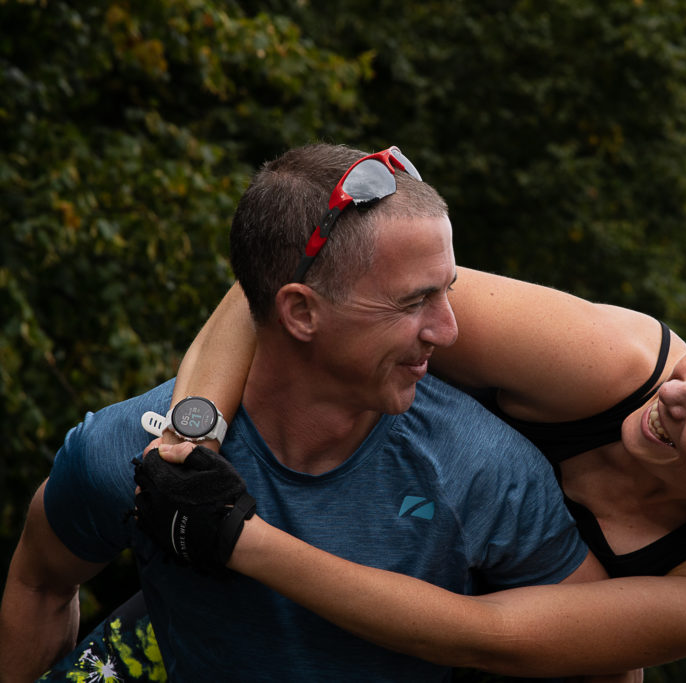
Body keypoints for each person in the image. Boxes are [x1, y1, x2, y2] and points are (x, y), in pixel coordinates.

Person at [129, 263, 686, 676]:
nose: (677, 391)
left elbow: (493, 639)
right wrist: (193, 447)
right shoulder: (606, 358)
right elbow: (286, 278)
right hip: (284, 526)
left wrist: (241, 537)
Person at [0, 143, 608, 682]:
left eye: (447, 290)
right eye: (415, 301)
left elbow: (600, 653)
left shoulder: (480, 466)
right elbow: (39, 581)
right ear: (301, 313)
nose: (449, 331)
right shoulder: (134, 451)